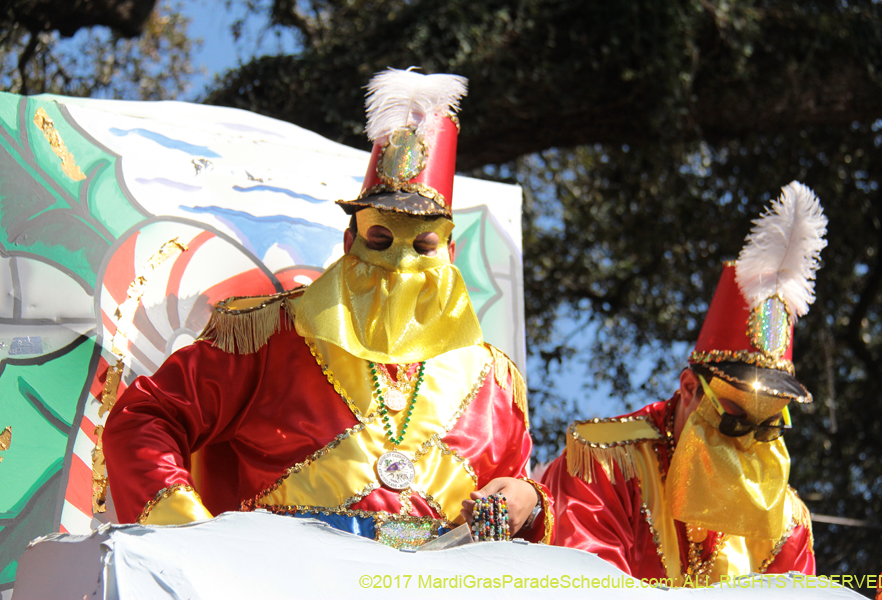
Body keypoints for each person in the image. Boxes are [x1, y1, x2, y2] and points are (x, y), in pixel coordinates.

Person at [104, 68, 552, 549]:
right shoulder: (269, 336)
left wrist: (529, 500)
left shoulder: (493, 382)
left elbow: (511, 512)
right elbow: (143, 420)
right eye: (380, 239)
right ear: (349, 240)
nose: (400, 264)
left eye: (422, 245)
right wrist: (190, 540)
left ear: (450, 253)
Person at [542, 182, 825, 585]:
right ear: (690, 388)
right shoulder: (605, 461)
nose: (747, 442)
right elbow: (585, 586)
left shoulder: (786, 518)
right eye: (734, 418)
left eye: (768, 427)